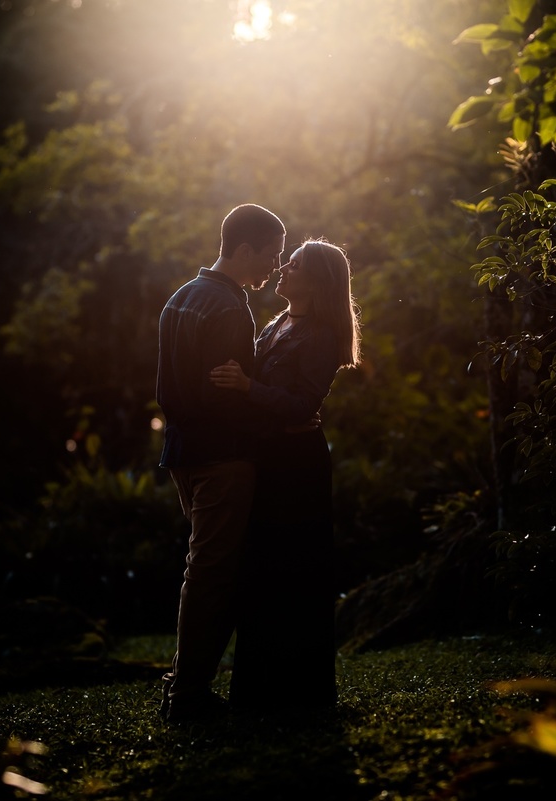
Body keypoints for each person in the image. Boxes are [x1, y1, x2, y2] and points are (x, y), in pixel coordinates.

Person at [208, 237, 362, 712]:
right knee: (263, 569)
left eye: (293, 265)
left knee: (295, 572)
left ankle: (300, 693)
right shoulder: (277, 323)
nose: (282, 270)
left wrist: (248, 386)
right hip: (270, 458)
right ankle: (259, 690)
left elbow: (303, 403)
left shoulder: (319, 335)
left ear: (316, 281)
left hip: (298, 463)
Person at [155, 203, 287, 723]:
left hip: (184, 455)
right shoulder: (230, 307)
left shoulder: (180, 299)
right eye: (271, 256)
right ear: (245, 248)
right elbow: (226, 396)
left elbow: (167, 391)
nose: (274, 269)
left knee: (203, 569)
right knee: (212, 575)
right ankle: (188, 695)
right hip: (222, 458)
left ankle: (181, 685)